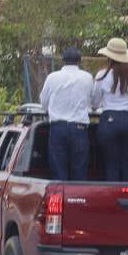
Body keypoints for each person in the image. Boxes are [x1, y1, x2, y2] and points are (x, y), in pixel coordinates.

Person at [93, 38, 128, 182]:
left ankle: (112, 199)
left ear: (109, 57)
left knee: (111, 164)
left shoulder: (101, 75)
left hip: (109, 121)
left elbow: (95, 102)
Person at [39, 47, 94, 181]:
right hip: (79, 129)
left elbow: (43, 103)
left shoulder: (52, 77)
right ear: (79, 61)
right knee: (79, 170)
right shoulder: (87, 77)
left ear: (63, 61)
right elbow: (90, 101)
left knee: (58, 170)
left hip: (58, 128)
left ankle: (61, 199)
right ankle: (78, 199)